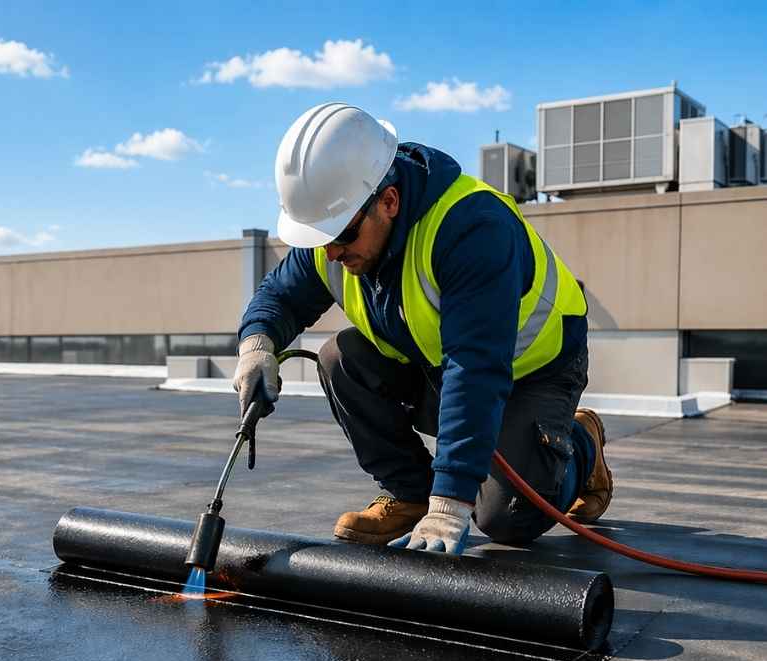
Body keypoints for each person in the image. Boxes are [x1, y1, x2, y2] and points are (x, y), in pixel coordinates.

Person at [234, 102, 613, 555]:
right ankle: (410, 494)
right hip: (439, 364)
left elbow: (475, 368)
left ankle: (579, 444)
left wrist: (450, 504)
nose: (331, 253)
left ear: (389, 201)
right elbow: (280, 296)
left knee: (505, 519)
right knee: (341, 359)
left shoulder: (472, 228)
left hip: (533, 371)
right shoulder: (336, 227)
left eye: (341, 237)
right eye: (319, 239)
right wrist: (257, 346)